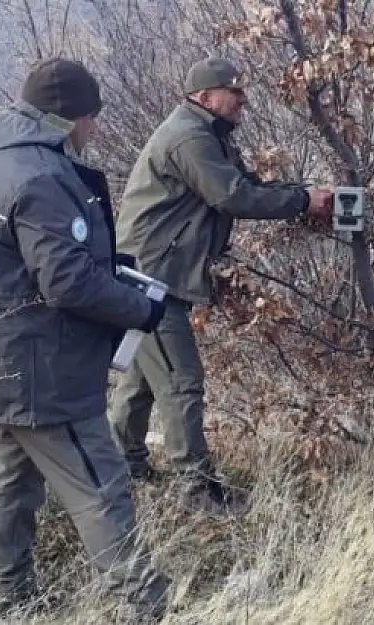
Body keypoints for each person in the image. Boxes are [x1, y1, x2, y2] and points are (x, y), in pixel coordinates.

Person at [0, 57, 171, 619]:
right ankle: (145, 603)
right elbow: (66, 280)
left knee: (10, 482)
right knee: (100, 483)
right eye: (91, 118)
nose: (94, 130)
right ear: (68, 117)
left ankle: (12, 597)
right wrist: (140, 307)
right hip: (42, 368)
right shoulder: (41, 176)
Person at [106, 56, 335, 513]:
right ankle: (197, 489)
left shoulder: (206, 133)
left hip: (147, 273)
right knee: (181, 379)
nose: (243, 100)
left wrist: (299, 194)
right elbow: (233, 196)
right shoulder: (190, 136)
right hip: (151, 279)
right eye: (235, 92)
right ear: (205, 96)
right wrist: (303, 202)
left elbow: (244, 184)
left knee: (144, 379)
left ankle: (121, 467)